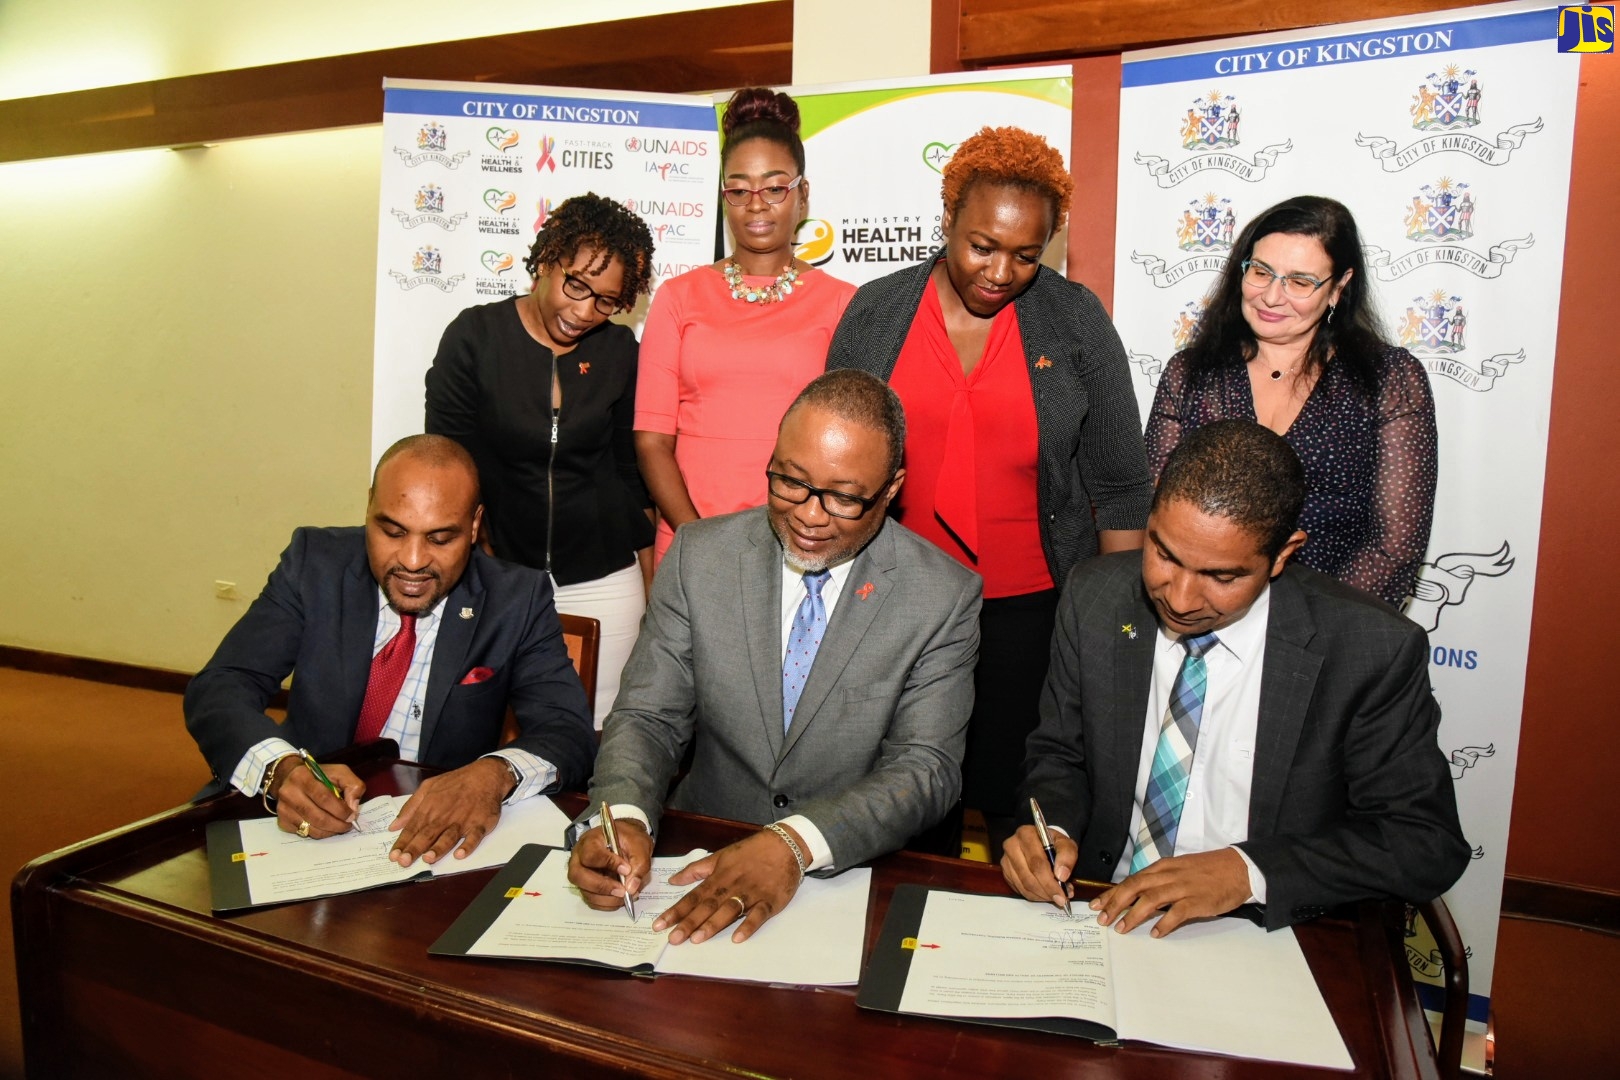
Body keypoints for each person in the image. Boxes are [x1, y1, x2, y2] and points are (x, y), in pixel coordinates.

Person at [1002, 420, 1468, 935]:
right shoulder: (1095, 596)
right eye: (1164, 554)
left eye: (1221, 577)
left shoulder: (1369, 649)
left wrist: (1247, 872)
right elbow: (1059, 757)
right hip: (1099, 913)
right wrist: (1051, 830)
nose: (1178, 599)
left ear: (1283, 555)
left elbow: (1425, 842)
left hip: (1264, 928)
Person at [826, 125, 1152, 858]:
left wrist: (1116, 627)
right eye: (981, 245)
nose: (1001, 271)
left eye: (1027, 254)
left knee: (1025, 808)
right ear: (946, 220)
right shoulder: (877, 313)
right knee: (903, 804)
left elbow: (1122, 486)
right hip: (892, 607)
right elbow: (833, 462)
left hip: (1031, 612)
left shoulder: (1075, 322)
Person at [569, 370, 981, 945]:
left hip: (846, 875)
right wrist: (624, 816)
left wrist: (794, 842)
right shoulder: (700, 556)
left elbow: (925, 768)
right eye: (791, 482)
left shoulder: (941, 595)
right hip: (698, 851)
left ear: (890, 491)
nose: (810, 516)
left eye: (844, 497)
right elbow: (648, 715)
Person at [185, 435, 595, 867]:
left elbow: (567, 730)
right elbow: (222, 684)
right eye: (392, 531)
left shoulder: (515, 599)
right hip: (295, 821)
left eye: (440, 539)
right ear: (368, 508)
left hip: (425, 845)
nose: (413, 560)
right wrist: (281, 768)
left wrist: (492, 774)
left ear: (474, 526)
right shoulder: (314, 564)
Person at [426, 193, 656, 728]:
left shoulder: (619, 351)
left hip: (601, 572)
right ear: (546, 259)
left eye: (605, 301)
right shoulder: (475, 337)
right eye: (576, 285)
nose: (583, 312)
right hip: (498, 570)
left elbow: (631, 475)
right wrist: (479, 564)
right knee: (476, 725)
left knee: (597, 731)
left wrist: (652, 586)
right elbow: (450, 467)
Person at [1144, 195, 1438, 609]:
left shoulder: (1388, 379)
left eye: (1300, 282)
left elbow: (1395, 549)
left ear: (1338, 287)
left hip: (1332, 623)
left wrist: (1307, 637)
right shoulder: (1191, 374)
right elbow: (1159, 516)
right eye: (1261, 272)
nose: (1271, 296)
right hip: (1197, 612)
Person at [635, 86, 856, 563]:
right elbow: (653, 440)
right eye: (738, 189)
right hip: (690, 540)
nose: (756, 204)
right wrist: (700, 541)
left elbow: (851, 445)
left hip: (801, 544)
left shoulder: (843, 303)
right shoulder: (678, 297)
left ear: (803, 195)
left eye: (775, 187)